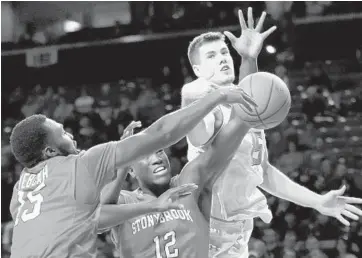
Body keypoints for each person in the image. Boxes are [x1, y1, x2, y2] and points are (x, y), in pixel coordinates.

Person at [181, 8, 362, 258]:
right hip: (205, 229)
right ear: (197, 70)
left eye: (224, 52)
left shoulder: (249, 106)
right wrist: (188, 96)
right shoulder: (207, 106)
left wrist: (316, 201)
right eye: (210, 56)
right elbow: (197, 135)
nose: (222, 58)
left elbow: (262, 171)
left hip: (237, 233)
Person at [9, 86, 252, 258]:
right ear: (50, 151)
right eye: (62, 133)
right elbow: (161, 134)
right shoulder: (79, 166)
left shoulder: (21, 189)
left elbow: (91, 217)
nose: (70, 135)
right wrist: (216, 97)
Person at [99, 98, 255, 257]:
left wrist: (249, 108)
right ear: (131, 170)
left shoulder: (188, 183)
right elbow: (95, 218)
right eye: (145, 155)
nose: (157, 158)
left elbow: (222, 147)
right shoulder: (125, 202)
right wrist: (123, 161)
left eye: (159, 150)